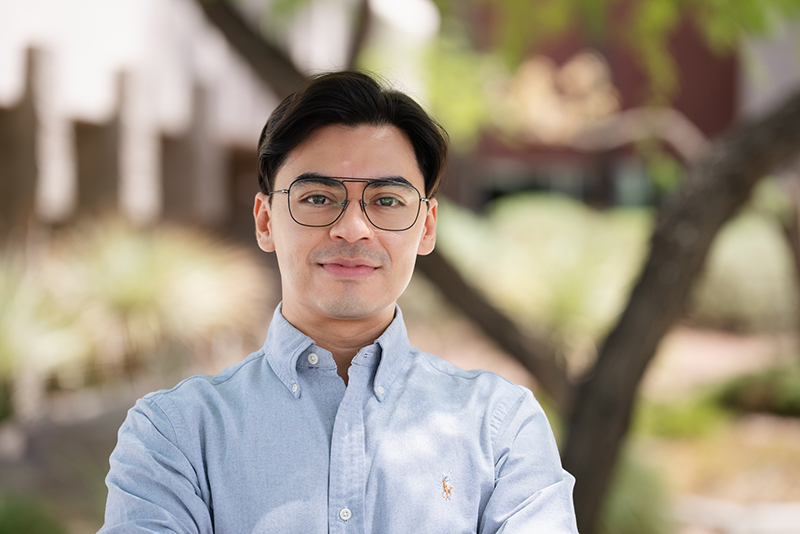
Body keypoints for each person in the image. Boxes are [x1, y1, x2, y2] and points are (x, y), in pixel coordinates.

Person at [100, 71, 579, 533]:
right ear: (266, 221)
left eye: (387, 200)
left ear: (427, 226)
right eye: (317, 198)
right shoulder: (176, 435)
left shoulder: (499, 427)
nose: (352, 228)